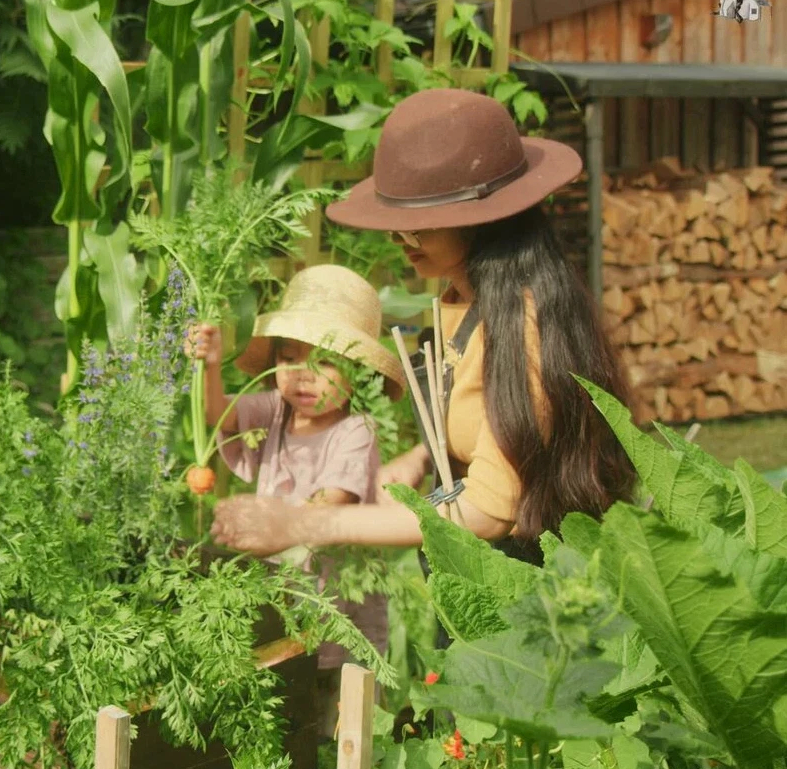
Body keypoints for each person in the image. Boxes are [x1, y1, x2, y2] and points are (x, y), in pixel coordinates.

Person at [210, 88, 637, 563]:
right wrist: (420, 464)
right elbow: (485, 433)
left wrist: (302, 523)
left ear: (482, 221)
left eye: (415, 225)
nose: (397, 239)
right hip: (474, 567)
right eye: (392, 224)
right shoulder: (460, 299)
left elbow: (487, 512)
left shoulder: (523, 329)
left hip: (525, 584)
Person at [186, 263, 408, 737]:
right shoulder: (274, 410)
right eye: (290, 357)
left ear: (360, 374)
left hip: (336, 606)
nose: (303, 376)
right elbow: (218, 416)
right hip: (283, 595)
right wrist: (209, 366)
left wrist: (271, 530)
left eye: (324, 362)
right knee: (284, 706)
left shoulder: (355, 432)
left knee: (337, 716)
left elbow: (330, 506)